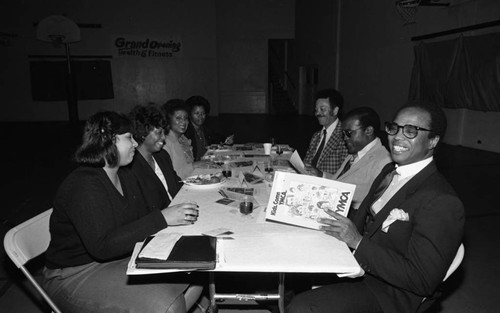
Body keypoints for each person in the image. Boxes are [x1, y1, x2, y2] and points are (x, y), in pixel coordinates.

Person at [287, 102, 465, 313]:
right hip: (358, 264)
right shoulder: (389, 171)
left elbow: (422, 280)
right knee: (291, 265)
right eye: (394, 128)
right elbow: (361, 221)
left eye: (411, 131)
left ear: (433, 140)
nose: (397, 137)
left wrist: (358, 243)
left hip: (389, 293)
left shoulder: (442, 201)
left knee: (302, 307)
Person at [42, 111, 201, 313]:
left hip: (117, 257)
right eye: (128, 138)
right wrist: (162, 217)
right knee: (170, 306)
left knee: (198, 272)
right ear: (108, 141)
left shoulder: (124, 175)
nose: (135, 144)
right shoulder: (84, 184)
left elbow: (140, 217)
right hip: (74, 273)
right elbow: (103, 246)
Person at [308, 107, 391, 210]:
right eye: (343, 134)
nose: (345, 138)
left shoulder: (383, 161)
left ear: (368, 130)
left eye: (349, 133)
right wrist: (321, 175)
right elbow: (344, 182)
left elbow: (375, 204)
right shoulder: (356, 153)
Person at [127, 104, 183, 210]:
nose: (163, 137)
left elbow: (177, 184)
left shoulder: (163, 156)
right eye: (158, 133)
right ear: (143, 133)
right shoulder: (131, 167)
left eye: (164, 132)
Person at [304, 89, 349, 175]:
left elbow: (345, 175)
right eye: (316, 110)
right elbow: (307, 163)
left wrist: (321, 175)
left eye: (322, 109)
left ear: (335, 111)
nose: (318, 113)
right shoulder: (316, 136)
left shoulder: (345, 137)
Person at [184, 95, 234, 161]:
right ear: (189, 114)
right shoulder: (186, 132)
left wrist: (226, 140)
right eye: (197, 113)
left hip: (208, 163)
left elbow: (218, 139)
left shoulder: (206, 129)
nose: (200, 116)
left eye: (203, 113)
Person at [162, 99, 196, 179]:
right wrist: (195, 165)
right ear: (169, 120)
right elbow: (172, 176)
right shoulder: (165, 143)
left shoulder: (183, 139)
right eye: (178, 118)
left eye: (186, 118)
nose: (183, 122)